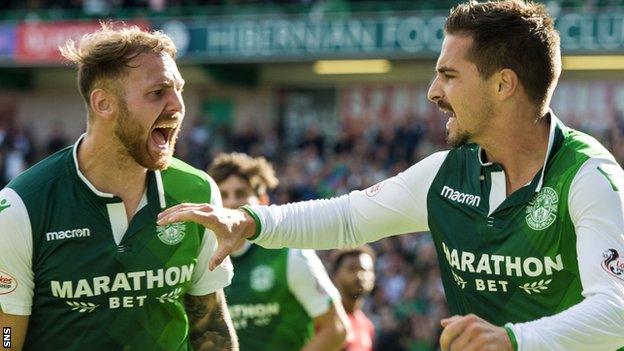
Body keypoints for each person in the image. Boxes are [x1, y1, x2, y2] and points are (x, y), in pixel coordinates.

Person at [157, 1, 624, 350]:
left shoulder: (587, 177)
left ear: (503, 84)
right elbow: (348, 218)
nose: (432, 91)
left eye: (449, 75)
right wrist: (252, 222)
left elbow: (618, 311)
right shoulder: (446, 175)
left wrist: (514, 339)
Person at [0, 24, 237, 351]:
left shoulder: (196, 190)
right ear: (103, 103)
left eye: (179, 90)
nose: (178, 106)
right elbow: (6, 339)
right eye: (158, 92)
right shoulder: (22, 205)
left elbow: (211, 327)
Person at [209, 152, 349, 351]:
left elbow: (336, 328)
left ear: (263, 201)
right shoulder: (202, 258)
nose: (231, 203)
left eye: (241, 194)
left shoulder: (290, 254)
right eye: (223, 195)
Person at [330, 246, 376, 351]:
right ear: (335, 275)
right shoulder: (326, 320)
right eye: (352, 269)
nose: (360, 275)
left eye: (365, 270)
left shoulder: (367, 326)